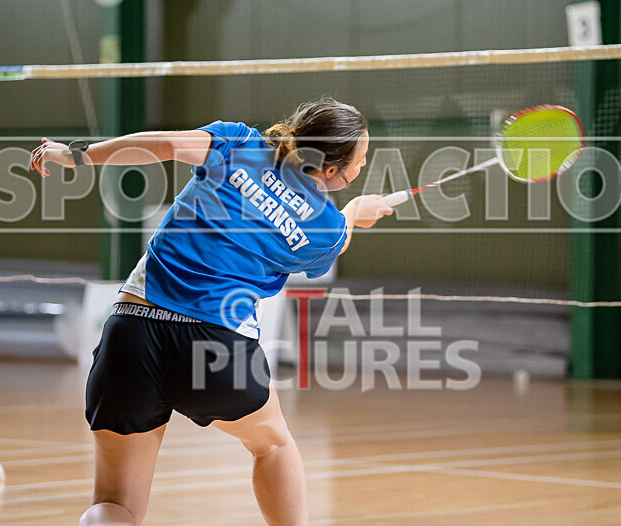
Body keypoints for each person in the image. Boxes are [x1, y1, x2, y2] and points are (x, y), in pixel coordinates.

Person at [30, 97, 392, 526]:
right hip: (215, 346)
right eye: (360, 161)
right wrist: (353, 214)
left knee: (115, 505)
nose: (359, 169)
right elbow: (335, 239)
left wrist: (79, 155)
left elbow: (162, 143)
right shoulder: (326, 229)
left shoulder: (238, 141)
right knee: (272, 445)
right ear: (331, 170)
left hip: (132, 331)